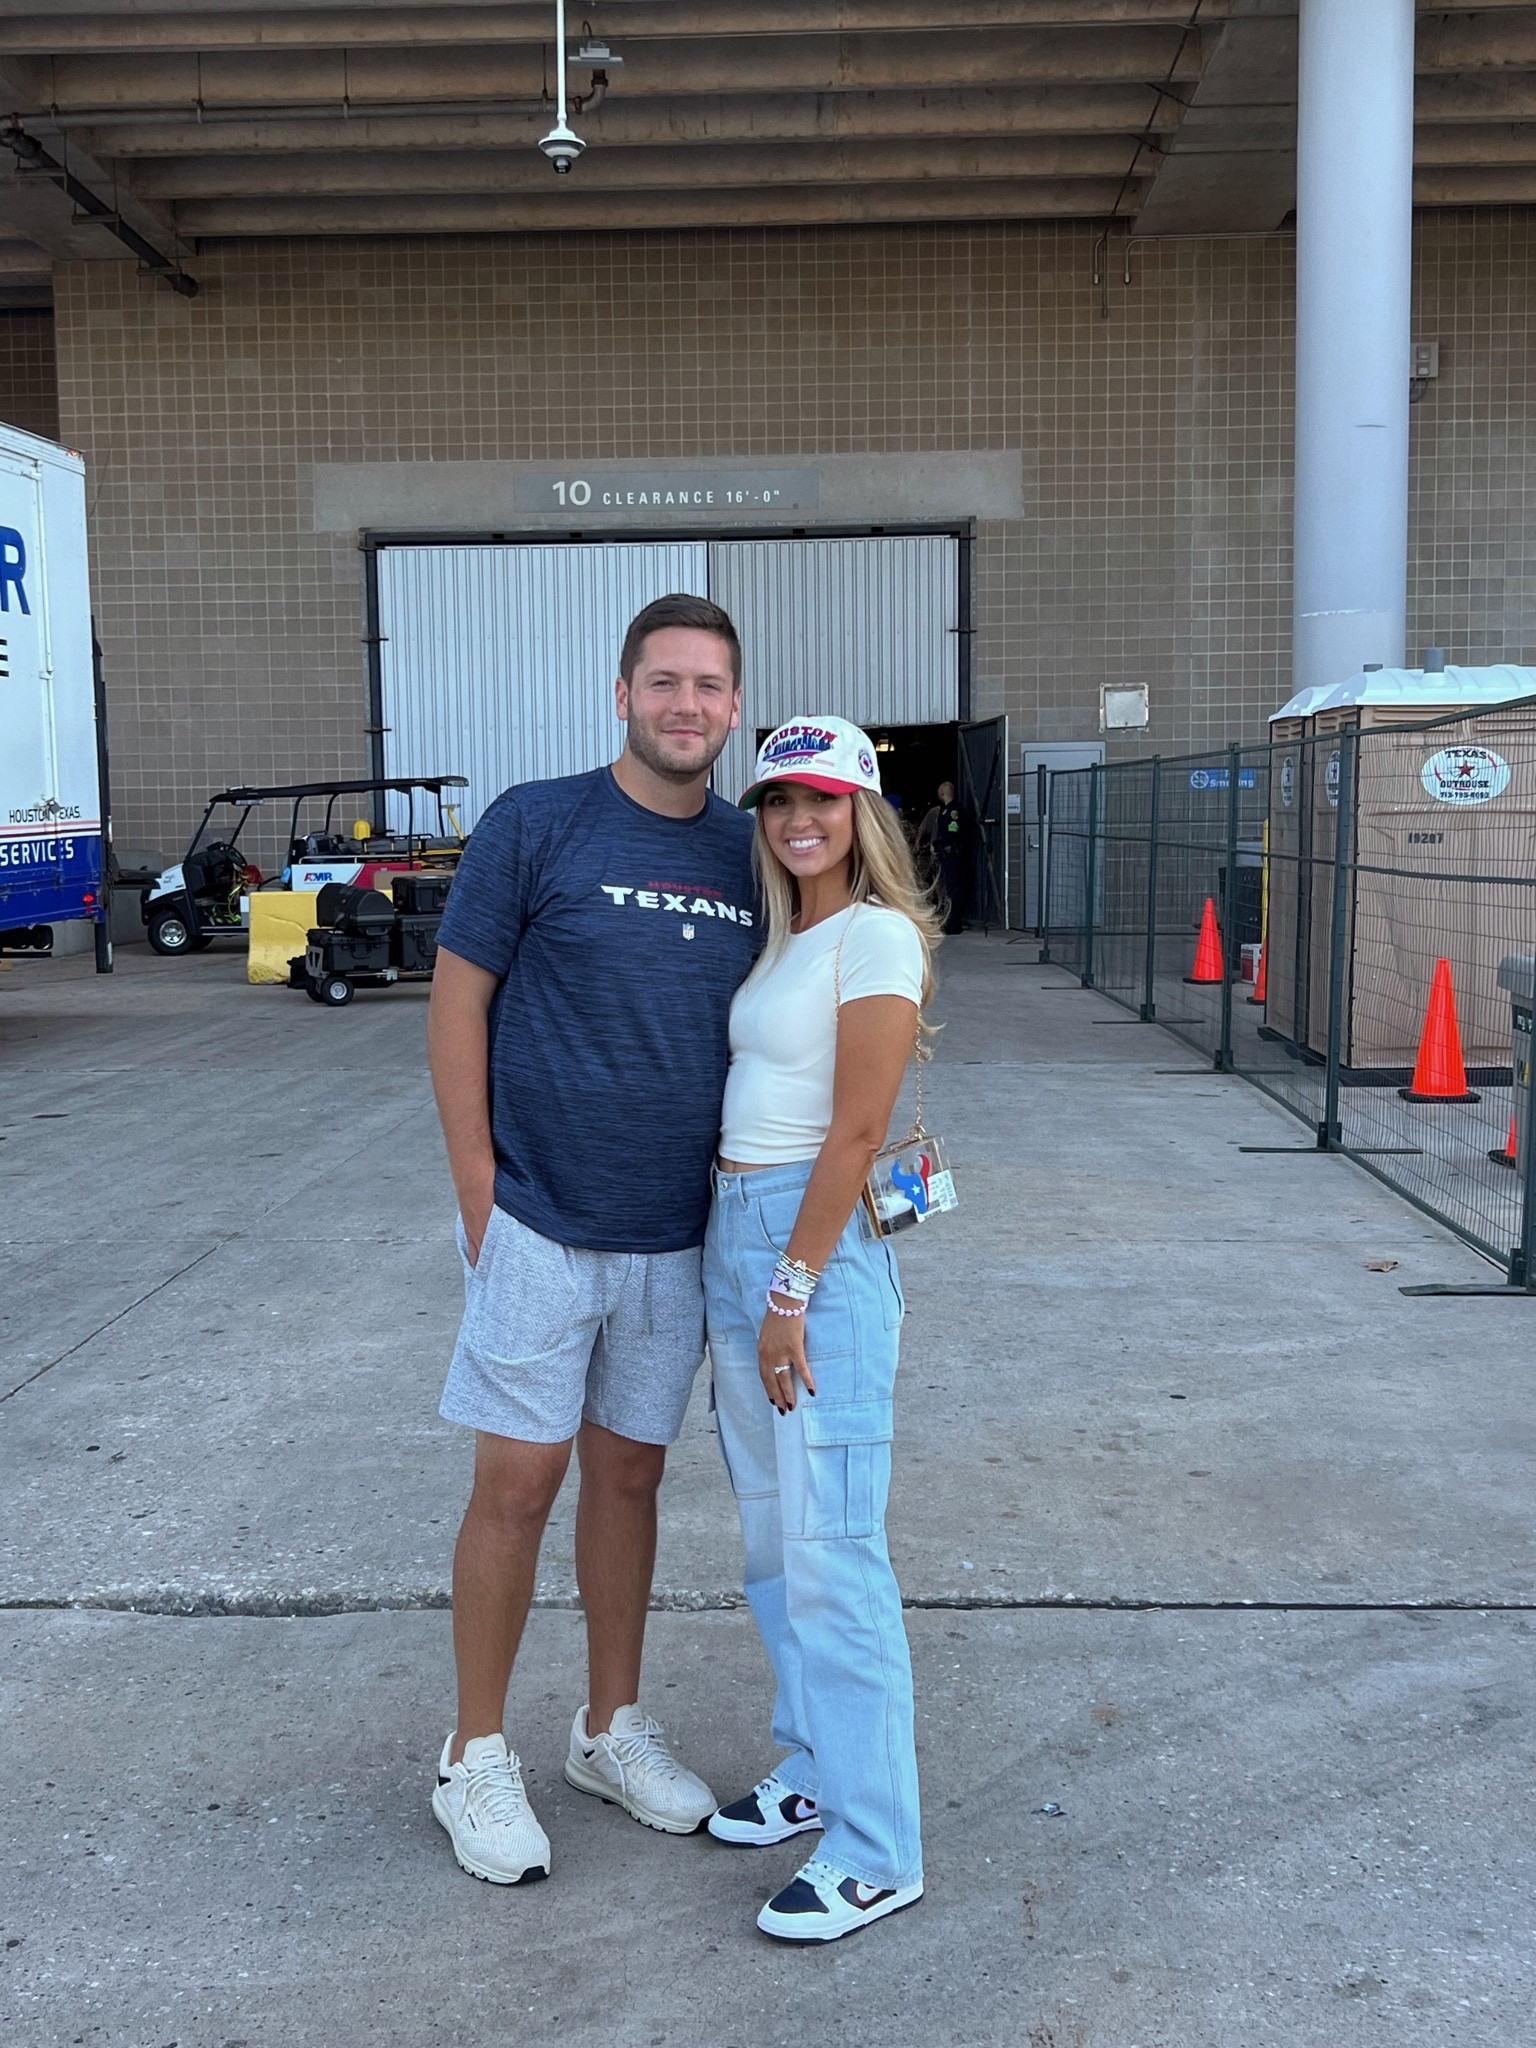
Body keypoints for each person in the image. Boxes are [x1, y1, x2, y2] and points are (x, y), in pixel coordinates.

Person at [426, 593, 759, 1885]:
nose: (686, 705)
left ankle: (608, 1728)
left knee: (631, 1480)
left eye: (709, 687)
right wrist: (478, 1189)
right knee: (517, 1483)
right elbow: (461, 1003)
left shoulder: (750, 853)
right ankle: (475, 1753)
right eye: (664, 681)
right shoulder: (538, 822)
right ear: (623, 695)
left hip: (677, 1238)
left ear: (734, 709)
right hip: (543, 1224)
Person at [702, 716, 942, 1943]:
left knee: (835, 1546)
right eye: (781, 799)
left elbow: (856, 1132)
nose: (802, 818)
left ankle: (876, 1843)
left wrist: (791, 1287)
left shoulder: (881, 937)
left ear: (864, 813)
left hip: (816, 1248)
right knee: (771, 1538)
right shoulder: (784, 939)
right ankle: (811, 1765)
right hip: (736, 1232)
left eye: (826, 799)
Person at [917, 779, 966, 934]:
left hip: (951, 855)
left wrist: (937, 843)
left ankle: (954, 924)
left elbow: (952, 834)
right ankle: (949, 922)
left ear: (944, 792)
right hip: (944, 856)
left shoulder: (953, 811)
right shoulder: (943, 810)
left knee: (952, 891)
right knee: (945, 890)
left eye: (940, 791)